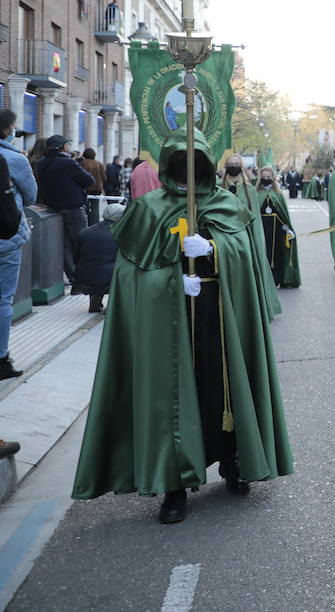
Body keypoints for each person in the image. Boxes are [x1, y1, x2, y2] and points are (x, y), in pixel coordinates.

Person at [72, 130, 293, 524]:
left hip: (218, 317)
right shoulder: (148, 210)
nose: (189, 172)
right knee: (173, 399)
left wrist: (215, 249)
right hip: (168, 326)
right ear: (169, 165)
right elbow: (130, 279)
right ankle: (174, 485)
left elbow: (246, 261)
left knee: (220, 389)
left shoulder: (226, 204)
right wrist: (172, 281)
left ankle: (232, 462)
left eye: (197, 164)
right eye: (180, 164)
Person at [221, 153, 284, 319]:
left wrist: (257, 244)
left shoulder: (250, 191)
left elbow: (255, 221)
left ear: (241, 167)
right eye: (230, 163)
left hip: (244, 240)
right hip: (223, 240)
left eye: (236, 163)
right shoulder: (218, 188)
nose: (233, 165)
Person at [0, 111, 37, 381]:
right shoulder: (15, 159)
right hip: (7, 238)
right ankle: (1, 359)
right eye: (13, 126)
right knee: (3, 299)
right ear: (6, 130)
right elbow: (31, 196)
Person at [35, 135, 95, 285]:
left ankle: (73, 277)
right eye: (67, 144)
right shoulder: (67, 163)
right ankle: (83, 278)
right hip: (73, 207)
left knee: (64, 245)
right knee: (79, 242)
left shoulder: (42, 163)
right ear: (62, 147)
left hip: (53, 208)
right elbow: (89, 180)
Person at [73, 202, 124, 313]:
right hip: (110, 281)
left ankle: (95, 296)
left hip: (83, 280)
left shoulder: (85, 233)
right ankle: (112, 305)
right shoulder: (122, 234)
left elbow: (75, 259)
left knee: (99, 267)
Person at [257, 167, 300, 289]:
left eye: (268, 177)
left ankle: (278, 278)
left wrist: (287, 228)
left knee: (278, 253)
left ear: (273, 178)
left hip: (278, 229)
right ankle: (266, 280)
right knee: (265, 253)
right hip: (263, 229)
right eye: (263, 177)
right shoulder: (256, 193)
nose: (266, 179)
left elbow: (283, 214)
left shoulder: (278, 194)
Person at [81, 148, 108, 220]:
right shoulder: (99, 164)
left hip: (86, 188)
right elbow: (104, 178)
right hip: (97, 188)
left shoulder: (83, 163)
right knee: (95, 207)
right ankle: (95, 222)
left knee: (85, 206)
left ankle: (87, 222)